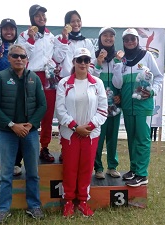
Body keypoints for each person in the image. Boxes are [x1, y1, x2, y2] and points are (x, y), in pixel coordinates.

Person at [0, 44, 47, 222]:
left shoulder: (34, 78)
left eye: (22, 56)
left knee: (33, 172)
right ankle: (4, 209)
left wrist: (31, 125)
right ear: (9, 58)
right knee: (6, 173)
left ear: (27, 59)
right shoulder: (1, 78)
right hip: (7, 132)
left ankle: (34, 206)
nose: (19, 59)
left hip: (29, 132)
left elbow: (42, 105)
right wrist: (12, 125)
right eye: (15, 56)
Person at [55, 48, 107, 217]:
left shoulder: (97, 83)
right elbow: (60, 110)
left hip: (91, 134)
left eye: (86, 60)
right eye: (80, 60)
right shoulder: (63, 83)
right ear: (74, 62)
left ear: (90, 62)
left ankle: (83, 201)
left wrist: (89, 127)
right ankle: (68, 201)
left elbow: (103, 110)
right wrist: (75, 127)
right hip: (70, 134)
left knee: (86, 168)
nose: (83, 63)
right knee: (70, 168)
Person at [17, 4, 68, 162]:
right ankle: (27, 146)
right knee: (30, 113)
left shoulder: (50, 36)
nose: (41, 18)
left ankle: (44, 147)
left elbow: (58, 58)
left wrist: (65, 38)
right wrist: (31, 38)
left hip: (49, 77)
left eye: (43, 15)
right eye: (38, 15)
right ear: (32, 17)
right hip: (31, 76)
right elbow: (23, 55)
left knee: (47, 113)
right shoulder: (24, 35)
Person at [113, 28, 163, 187]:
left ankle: (142, 174)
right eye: (126, 40)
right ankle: (134, 169)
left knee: (142, 139)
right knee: (132, 139)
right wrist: (118, 64)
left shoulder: (146, 56)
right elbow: (118, 84)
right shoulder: (123, 61)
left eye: (132, 39)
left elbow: (159, 77)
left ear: (137, 40)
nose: (129, 42)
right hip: (128, 105)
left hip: (144, 105)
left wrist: (153, 91)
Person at [53, 10, 96, 162]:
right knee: (65, 116)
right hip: (66, 83)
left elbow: (92, 64)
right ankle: (66, 148)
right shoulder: (59, 39)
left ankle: (82, 148)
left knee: (82, 114)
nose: (76, 24)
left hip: (83, 81)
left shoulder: (88, 42)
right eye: (72, 21)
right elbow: (57, 58)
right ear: (67, 24)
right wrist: (64, 40)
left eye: (78, 21)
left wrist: (84, 76)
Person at [0, 18, 22, 176]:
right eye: (5, 29)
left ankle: (17, 162)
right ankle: (3, 161)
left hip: (19, 92)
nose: (9, 32)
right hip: (2, 93)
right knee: (1, 127)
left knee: (19, 125)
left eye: (12, 29)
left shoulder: (21, 47)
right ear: (1, 31)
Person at [92, 27, 122, 179]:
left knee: (112, 135)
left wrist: (119, 96)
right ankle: (98, 167)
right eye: (105, 35)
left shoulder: (118, 58)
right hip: (98, 105)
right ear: (100, 38)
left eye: (111, 36)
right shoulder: (93, 56)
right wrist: (98, 62)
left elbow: (119, 82)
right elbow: (91, 79)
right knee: (98, 135)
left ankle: (112, 166)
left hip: (114, 105)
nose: (108, 38)